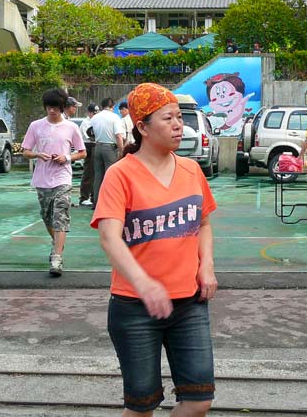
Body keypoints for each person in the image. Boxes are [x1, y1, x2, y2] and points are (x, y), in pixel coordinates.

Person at [92, 82, 218, 416]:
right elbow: (109, 238)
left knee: (199, 401)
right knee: (141, 408)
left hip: (189, 304)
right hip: (134, 307)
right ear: (143, 127)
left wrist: (206, 265)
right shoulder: (120, 175)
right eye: (168, 118)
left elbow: (204, 223)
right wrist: (144, 283)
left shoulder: (191, 170)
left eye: (179, 117)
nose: (179, 125)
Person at [20, 88, 86, 276]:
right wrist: (37, 154)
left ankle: (57, 257)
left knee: (60, 216)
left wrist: (66, 157)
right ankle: (57, 242)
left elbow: (82, 152)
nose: (52, 111)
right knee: (47, 217)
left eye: (55, 107)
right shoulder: (36, 126)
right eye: (49, 107)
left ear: (62, 107)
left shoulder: (71, 127)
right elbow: (25, 151)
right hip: (42, 179)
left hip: (62, 178)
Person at [88, 97, 126, 207]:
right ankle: (109, 203)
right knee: (110, 176)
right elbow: (118, 136)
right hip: (110, 148)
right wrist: (121, 150)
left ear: (102, 106)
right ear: (113, 106)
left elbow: (90, 133)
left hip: (97, 146)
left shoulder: (95, 117)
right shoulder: (115, 117)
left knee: (98, 176)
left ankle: (96, 202)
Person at [78, 103, 100, 207]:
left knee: (95, 173)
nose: (95, 115)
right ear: (89, 113)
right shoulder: (86, 123)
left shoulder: (96, 121)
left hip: (95, 145)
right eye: (93, 113)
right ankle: (84, 197)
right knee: (88, 172)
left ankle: (93, 196)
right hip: (89, 146)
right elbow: (90, 136)